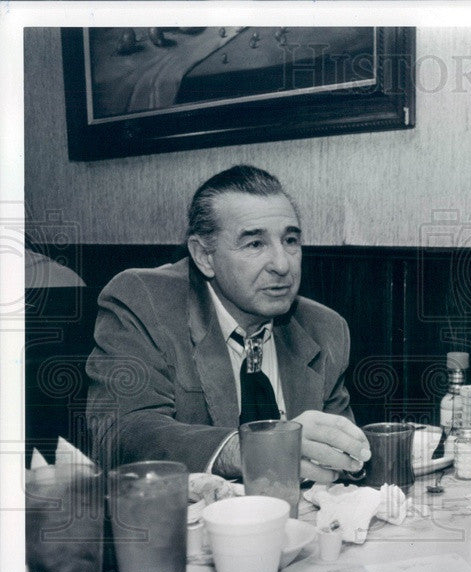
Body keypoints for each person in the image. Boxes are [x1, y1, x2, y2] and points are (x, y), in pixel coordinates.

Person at [86, 165, 370, 482]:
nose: (282, 264)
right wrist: (251, 451)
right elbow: (121, 432)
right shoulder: (143, 302)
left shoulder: (325, 328)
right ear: (204, 256)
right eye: (254, 244)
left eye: (290, 240)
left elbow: (344, 460)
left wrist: (349, 458)